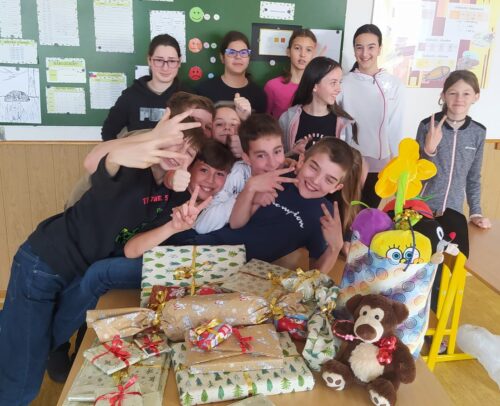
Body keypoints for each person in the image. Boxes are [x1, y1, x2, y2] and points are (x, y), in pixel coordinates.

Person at [0, 110, 203, 404]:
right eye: (176, 142)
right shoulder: (133, 165)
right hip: (44, 264)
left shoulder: (175, 195)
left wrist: (174, 226)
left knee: (38, 345)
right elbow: (103, 159)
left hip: (81, 274)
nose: (180, 154)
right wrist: (150, 140)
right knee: (22, 384)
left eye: (190, 152)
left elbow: (131, 248)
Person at [48, 139, 235, 353]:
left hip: (180, 267)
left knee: (98, 272)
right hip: (149, 256)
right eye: (203, 170)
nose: (210, 180)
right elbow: (132, 248)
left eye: (220, 174)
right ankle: (55, 344)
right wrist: (174, 226)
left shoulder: (223, 204)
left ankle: (56, 343)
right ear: (189, 169)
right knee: (93, 271)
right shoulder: (172, 194)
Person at [179, 137, 361, 275]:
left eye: (329, 179)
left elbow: (313, 277)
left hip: (238, 274)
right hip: (203, 244)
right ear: (302, 160)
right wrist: (251, 190)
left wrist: (335, 247)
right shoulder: (277, 173)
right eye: (313, 167)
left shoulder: (325, 215)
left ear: (336, 187)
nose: (316, 180)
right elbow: (236, 224)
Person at [416, 70, 491, 314]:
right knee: (422, 263)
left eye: (466, 93)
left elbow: (473, 177)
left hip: (454, 211)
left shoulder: (478, 132)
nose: (459, 99)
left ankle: (438, 318)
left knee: (452, 266)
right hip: (424, 208)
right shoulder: (427, 125)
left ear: (476, 96)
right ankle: (415, 314)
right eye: (453, 93)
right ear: (443, 95)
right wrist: (429, 150)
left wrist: (476, 211)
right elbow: (417, 172)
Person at [337, 24, 405, 208]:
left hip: (380, 166)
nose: (364, 53)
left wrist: (398, 167)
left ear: (380, 49)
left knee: (368, 214)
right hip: (350, 163)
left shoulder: (394, 85)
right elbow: (337, 125)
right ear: (354, 50)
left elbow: (396, 128)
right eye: (359, 47)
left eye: (371, 47)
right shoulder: (343, 83)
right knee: (347, 213)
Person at [194, 113, 289, 234]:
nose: (272, 163)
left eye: (277, 151)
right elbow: (202, 225)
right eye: (261, 155)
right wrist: (248, 194)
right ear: (246, 158)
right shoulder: (237, 174)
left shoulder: (293, 173)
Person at [101, 34, 185, 141]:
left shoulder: (188, 96)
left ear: (179, 62)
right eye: (159, 60)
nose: (165, 68)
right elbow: (108, 132)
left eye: (172, 61)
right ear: (149, 60)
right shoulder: (130, 96)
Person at [279, 56, 357, 156]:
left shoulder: (345, 124)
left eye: (339, 82)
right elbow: (278, 160)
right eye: (333, 83)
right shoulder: (287, 119)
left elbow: (347, 162)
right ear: (314, 86)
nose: (339, 89)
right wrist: (291, 153)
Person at [196, 31, 267, 113]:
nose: (238, 57)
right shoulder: (204, 91)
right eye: (232, 52)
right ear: (222, 57)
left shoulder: (258, 94)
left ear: (248, 58)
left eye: (243, 52)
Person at [264, 29, 317, 119]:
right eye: (297, 48)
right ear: (288, 52)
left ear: (314, 54)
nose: (302, 54)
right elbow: (264, 120)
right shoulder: (272, 86)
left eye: (308, 50)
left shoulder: (317, 88)